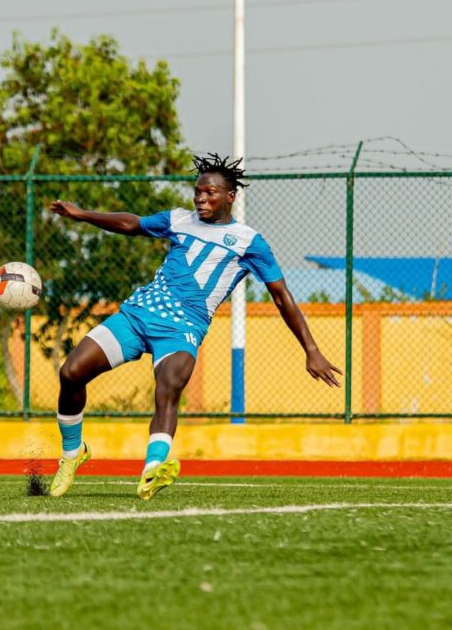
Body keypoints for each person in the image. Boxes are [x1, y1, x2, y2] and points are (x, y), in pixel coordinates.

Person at [47, 153, 341, 500]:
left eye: (210, 193)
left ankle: (152, 469)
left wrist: (312, 350)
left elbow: (282, 297)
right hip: (138, 314)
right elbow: (132, 224)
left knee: (168, 387)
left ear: (230, 196)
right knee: (71, 373)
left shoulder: (249, 242)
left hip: (182, 329)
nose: (201, 198)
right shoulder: (178, 220)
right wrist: (81, 215)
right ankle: (72, 453)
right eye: (198, 192)